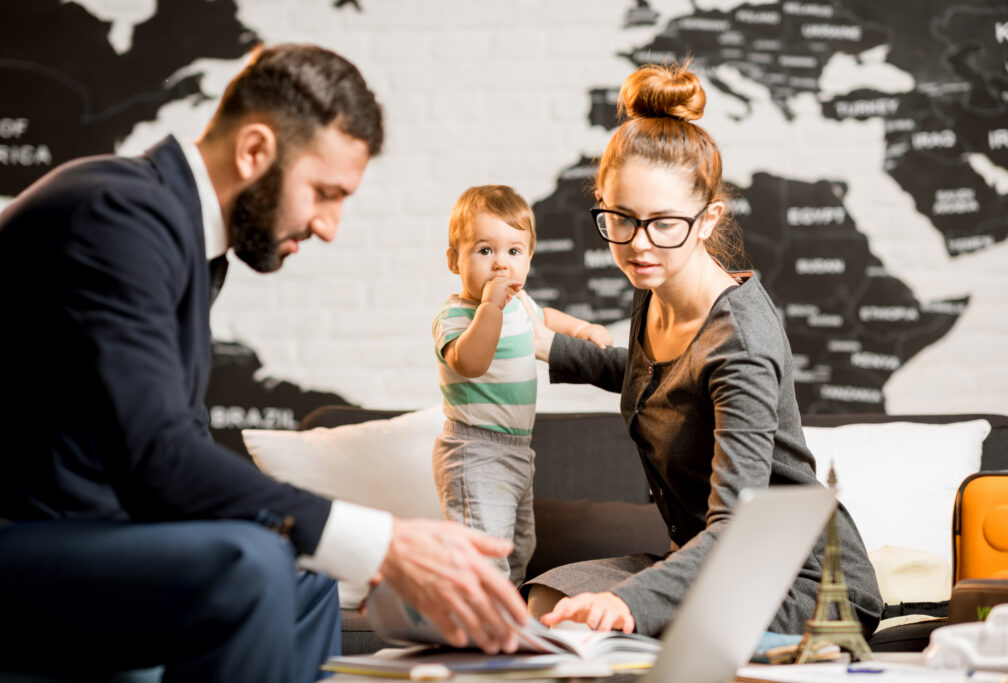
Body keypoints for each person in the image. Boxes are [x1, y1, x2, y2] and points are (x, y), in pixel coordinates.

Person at [0, 44, 527, 682]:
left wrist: (343, 542)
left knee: (305, 578)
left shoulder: (183, 238)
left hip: (72, 527)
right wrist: (384, 542)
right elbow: (158, 457)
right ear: (254, 151)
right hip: (26, 534)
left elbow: (174, 441)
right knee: (250, 565)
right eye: (324, 193)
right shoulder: (118, 215)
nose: (330, 226)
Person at [520, 63, 884, 638]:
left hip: (797, 581)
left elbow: (737, 525)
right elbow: (661, 378)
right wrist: (550, 347)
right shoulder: (657, 286)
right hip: (710, 561)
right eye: (621, 219)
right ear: (603, 203)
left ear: (707, 217)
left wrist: (632, 604)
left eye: (664, 223)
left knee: (617, 625)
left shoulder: (740, 342)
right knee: (548, 603)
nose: (639, 244)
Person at [432, 185, 612, 586]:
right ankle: (481, 632)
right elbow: (472, 362)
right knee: (486, 555)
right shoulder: (457, 316)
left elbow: (544, 318)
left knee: (518, 551)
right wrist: (490, 307)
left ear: (529, 258)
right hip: (473, 451)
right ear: (453, 259)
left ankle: (505, 622)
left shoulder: (519, 303)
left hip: (517, 452)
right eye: (485, 251)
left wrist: (581, 328)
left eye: (514, 252)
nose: (501, 265)